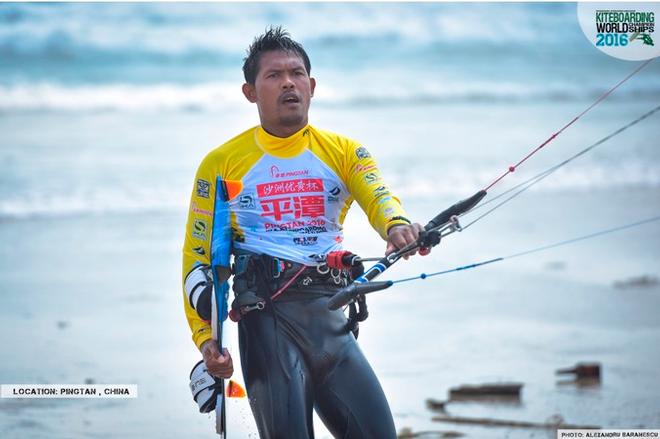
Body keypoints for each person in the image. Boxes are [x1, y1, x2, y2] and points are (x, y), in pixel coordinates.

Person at [182, 26, 429, 439]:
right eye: (273, 76)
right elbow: (198, 257)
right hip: (266, 323)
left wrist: (398, 226)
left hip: (331, 317)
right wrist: (206, 340)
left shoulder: (346, 152)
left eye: (296, 74)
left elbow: (380, 196)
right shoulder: (221, 164)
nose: (288, 83)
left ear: (312, 86)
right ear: (250, 92)